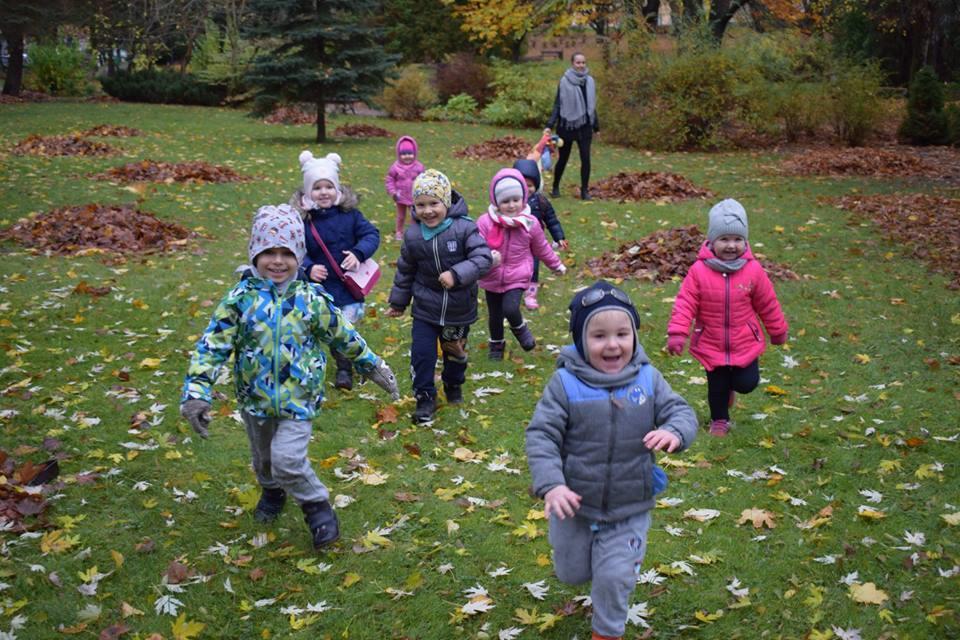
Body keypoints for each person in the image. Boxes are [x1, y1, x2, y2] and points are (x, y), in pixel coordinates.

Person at [179, 204, 399, 550]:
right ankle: (271, 491)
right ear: (255, 254)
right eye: (268, 252)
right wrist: (197, 391)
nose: (278, 261)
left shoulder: (311, 300)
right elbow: (213, 344)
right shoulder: (241, 299)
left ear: (299, 255)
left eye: (286, 253)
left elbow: (344, 335)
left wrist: (371, 366)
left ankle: (317, 507)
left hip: (299, 398)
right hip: (255, 398)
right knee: (264, 460)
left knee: (288, 460)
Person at [526, 281, 698, 640]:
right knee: (571, 572)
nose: (613, 344)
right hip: (575, 503)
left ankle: (606, 631)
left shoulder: (648, 379)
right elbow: (542, 434)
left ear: (634, 335)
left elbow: (680, 411)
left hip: (630, 503)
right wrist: (552, 485)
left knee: (614, 575)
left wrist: (675, 432)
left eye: (622, 333)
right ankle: (586, 562)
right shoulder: (565, 384)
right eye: (599, 336)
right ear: (580, 340)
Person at [666, 198, 788, 437]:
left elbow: (767, 302)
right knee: (717, 385)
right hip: (711, 341)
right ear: (712, 241)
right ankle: (719, 419)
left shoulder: (753, 270)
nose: (731, 245)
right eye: (724, 239)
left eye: (737, 239)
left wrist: (778, 331)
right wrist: (678, 333)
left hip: (744, 340)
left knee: (746, 383)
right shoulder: (699, 271)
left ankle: (734, 386)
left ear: (745, 241)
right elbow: (685, 302)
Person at [385, 169, 492, 423]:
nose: (427, 211)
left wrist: (456, 274)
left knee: (454, 353)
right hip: (425, 309)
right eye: (420, 205)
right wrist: (399, 302)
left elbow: (483, 258)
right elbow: (405, 270)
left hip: (458, 309)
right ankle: (424, 398)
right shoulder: (413, 236)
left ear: (446, 202)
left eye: (434, 203)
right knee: (422, 355)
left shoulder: (465, 228)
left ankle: (453, 383)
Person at [291, 150, 381, 391]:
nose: (323, 192)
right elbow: (294, 249)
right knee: (318, 328)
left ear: (337, 190)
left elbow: (371, 234)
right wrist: (308, 268)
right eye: (317, 187)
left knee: (344, 330)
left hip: (347, 288)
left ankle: (344, 368)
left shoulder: (349, 215)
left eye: (328, 186)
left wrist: (358, 253)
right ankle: (308, 366)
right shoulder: (303, 221)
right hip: (319, 289)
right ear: (308, 192)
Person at [477, 168, 566, 360]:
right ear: (496, 201)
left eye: (515, 200)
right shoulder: (485, 223)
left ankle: (520, 329)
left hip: (517, 275)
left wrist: (555, 265)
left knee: (510, 308)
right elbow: (475, 247)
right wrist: (487, 259)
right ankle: (496, 346)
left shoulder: (529, 223)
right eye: (505, 201)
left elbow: (541, 248)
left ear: (523, 198)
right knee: (495, 316)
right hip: (492, 276)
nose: (511, 205)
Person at [513, 159, 568, 310]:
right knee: (515, 268)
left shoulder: (540, 201)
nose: (527, 189)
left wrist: (559, 237)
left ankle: (530, 294)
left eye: (530, 185)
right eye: (522, 185)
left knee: (533, 269)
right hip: (514, 244)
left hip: (534, 244)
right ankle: (513, 291)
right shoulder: (510, 202)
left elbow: (552, 220)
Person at [547, 51, 599, 201]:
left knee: (586, 159)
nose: (581, 65)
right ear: (572, 63)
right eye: (578, 62)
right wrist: (550, 124)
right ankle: (555, 188)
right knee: (563, 158)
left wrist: (596, 126)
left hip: (584, 126)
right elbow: (558, 104)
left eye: (583, 62)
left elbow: (591, 106)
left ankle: (584, 191)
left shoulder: (589, 81)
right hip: (567, 126)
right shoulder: (564, 81)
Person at [384, 135, 424, 241]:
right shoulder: (395, 167)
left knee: (414, 215)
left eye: (410, 154)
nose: (407, 156)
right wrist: (393, 192)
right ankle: (399, 232)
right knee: (401, 216)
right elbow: (390, 180)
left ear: (414, 154)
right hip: (400, 196)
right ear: (399, 154)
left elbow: (424, 179)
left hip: (415, 196)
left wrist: (423, 190)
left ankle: (413, 232)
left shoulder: (418, 167)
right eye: (404, 154)